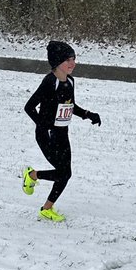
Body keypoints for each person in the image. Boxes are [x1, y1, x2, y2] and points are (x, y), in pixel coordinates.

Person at [22, 41, 101, 221]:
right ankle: (31, 175)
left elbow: (70, 106)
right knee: (63, 173)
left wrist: (88, 115)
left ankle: (46, 208)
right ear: (57, 62)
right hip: (47, 135)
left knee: (66, 174)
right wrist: (43, 126)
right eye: (68, 60)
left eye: (74, 59)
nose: (72, 63)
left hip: (62, 134)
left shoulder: (70, 81)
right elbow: (29, 107)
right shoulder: (50, 82)